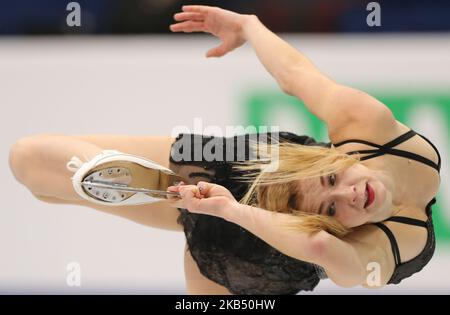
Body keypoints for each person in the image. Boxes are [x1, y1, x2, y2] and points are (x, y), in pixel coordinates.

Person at [8, 5, 440, 295]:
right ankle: (109, 174)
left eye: (332, 211)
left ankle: (123, 179)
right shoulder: (373, 128)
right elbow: (295, 75)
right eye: (333, 180)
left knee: (37, 173)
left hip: (260, 252)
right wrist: (249, 25)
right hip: (264, 164)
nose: (347, 195)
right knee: (28, 164)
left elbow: (320, 249)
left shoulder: (394, 245)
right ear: (337, 157)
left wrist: (228, 211)